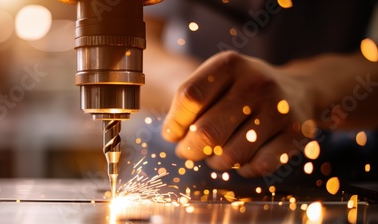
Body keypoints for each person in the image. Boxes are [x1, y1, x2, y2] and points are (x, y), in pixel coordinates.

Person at [143, 0, 378, 178]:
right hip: (177, 165)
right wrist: (199, 93)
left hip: (334, 163)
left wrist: (305, 90)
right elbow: (139, 40)